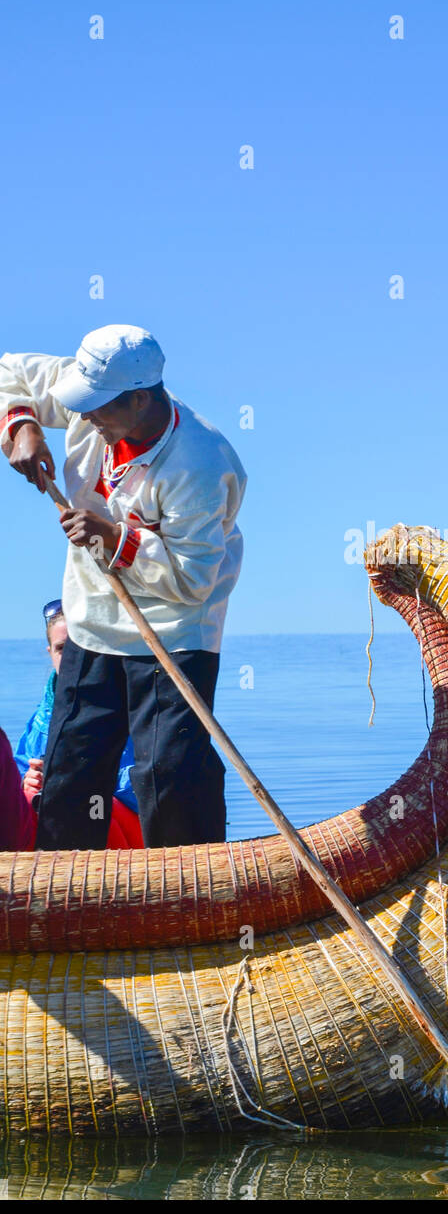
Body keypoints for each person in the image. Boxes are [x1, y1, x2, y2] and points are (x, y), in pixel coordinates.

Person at [0, 324, 247, 850]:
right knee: (72, 770)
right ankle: (66, 902)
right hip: (92, 620)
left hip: (175, 630)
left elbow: (195, 580)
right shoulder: (95, 396)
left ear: (139, 400)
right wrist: (21, 425)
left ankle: (189, 897)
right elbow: (8, 373)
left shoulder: (202, 464)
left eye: (96, 409)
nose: (83, 417)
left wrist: (117, 537)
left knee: (168, 776)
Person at [15, 597, 143, 850]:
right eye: (62, 648)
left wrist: (80, 779)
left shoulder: (130, 706)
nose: (73, 659)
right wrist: (27, 781)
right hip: (64, 824)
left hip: (122, 827)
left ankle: (99, 883)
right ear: (50, 653)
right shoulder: (41, 719)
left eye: (80, 648)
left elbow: (148, 788)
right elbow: (19, 771)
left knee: (95, 803)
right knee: (28, 800)